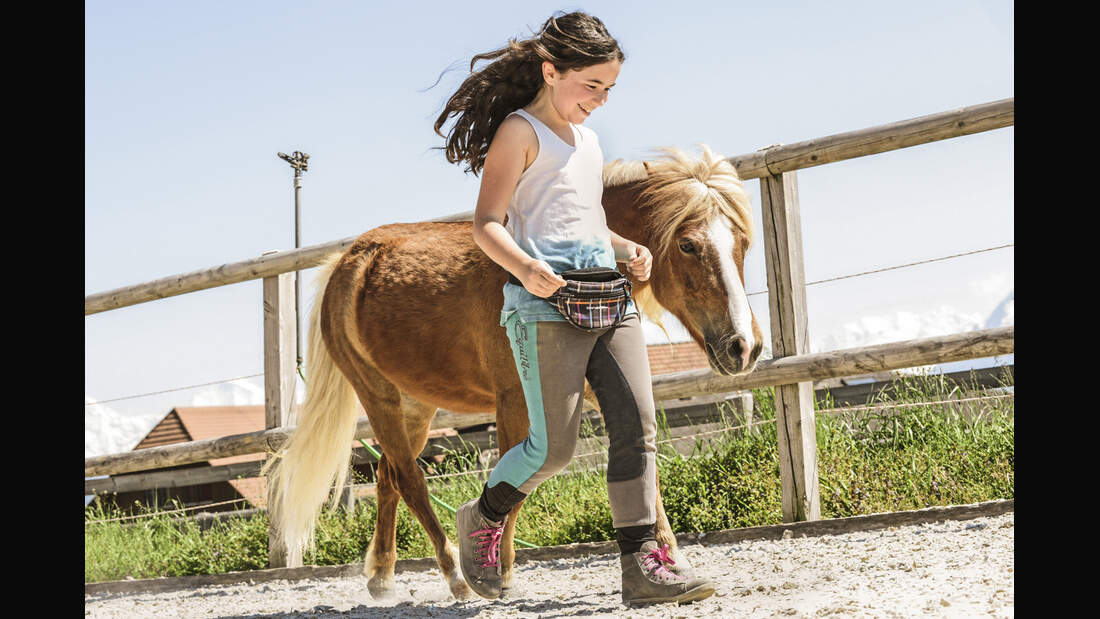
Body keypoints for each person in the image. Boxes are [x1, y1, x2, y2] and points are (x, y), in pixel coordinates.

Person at [433, 11, 716, 606]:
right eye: (592, 86)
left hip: (610, 300)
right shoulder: (519, 132)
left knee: (636, 429)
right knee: (552, 449)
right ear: (550, 70)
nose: (600, 101)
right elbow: (487, 224)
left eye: (609, 90)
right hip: (546, 307)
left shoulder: (588, 142)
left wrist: (628, 248)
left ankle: (643, 566)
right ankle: (483, 518)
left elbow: (588, 224)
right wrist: (525, 269)